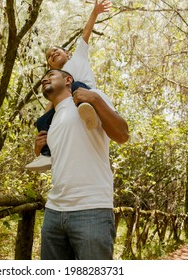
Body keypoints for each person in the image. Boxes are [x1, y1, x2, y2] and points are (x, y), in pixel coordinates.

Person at [36, 69, 129, 260]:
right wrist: (39, 149)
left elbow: (122, 135)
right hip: (54, 210)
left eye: (51, 75)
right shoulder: (51, 121)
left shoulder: (89, 99)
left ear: (68, 80)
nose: (45, 79)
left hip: (91, 208)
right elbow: (66, 159)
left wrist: (95, 99)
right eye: (43, 78)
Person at [25, 0, 112, 171]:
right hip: (67, 100)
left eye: (56, 50)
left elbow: (85, 34)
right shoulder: (56, 78)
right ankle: (46, 154)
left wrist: (95, 13)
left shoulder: (78, 58)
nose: (53, 54)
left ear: (68, 53)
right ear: (50, 66)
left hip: (85, 93)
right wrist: (45, 118)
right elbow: (52, 103)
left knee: (76, 85)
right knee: (41, 120)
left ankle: (89, 112)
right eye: (50, 56)